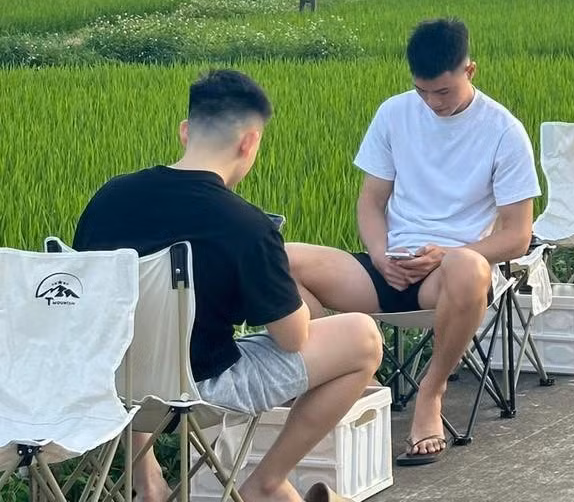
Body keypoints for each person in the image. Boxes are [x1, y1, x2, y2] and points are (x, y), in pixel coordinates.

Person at [74, 69, 381, 502]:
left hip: (111, 384)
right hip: (198, 390)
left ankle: (147, 478)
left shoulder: (107, 198)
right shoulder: (246, 225)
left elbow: (99, 309)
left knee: (138, 345)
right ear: (249, 142)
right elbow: (292, 338)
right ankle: (266, 483)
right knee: (362, 338)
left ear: (185, 132)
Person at [286, 18, 538, 467]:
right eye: (422, 92)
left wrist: (447, 254)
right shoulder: (394, 112)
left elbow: (517, 236)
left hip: (446, 277)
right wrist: (380, 254)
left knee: (468, 266)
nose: (431, 102)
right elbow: (372, 200)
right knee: (281, 258)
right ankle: (353, 386)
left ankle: (431, 392)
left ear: (470, 71)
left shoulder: (503, 130)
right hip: (389, 266)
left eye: (442, 92)